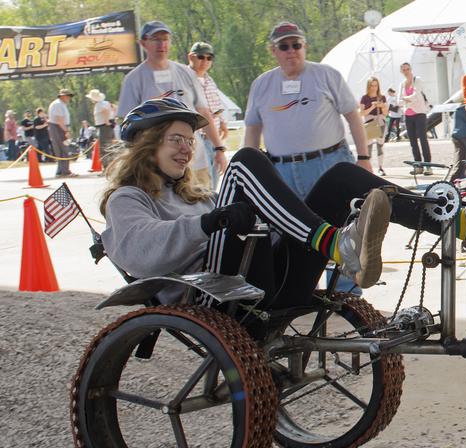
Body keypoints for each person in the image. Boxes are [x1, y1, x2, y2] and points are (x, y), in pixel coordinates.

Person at [100, 99, 438, 307]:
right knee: (245, 161)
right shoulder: (128, 198)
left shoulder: (197, 196)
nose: (187, 149)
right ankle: (336, 245)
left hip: (265, 282)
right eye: (176, 140)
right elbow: (139, 252)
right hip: (213, 299)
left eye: (190, 141)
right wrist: (207, 223)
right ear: (147, 145)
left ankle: (452, 221)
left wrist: (267, 218)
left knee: (340, 177)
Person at [242, 22, 373, 196]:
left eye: (296, 45)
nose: (291, 51)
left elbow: (353, 117)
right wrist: (251, 171)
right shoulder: (261, 84)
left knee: (340, 220)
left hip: (330, 164)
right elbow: (252, 130)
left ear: (305, 47)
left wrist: (364, 158)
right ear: (274, 51)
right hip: (281, 172)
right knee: (289, 223)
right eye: (283, 46)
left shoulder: (327, 75)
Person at [118, 20, 229, 181]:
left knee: (202, 201)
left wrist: (219, 148)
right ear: (143, 43)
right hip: (156, 164)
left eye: (165, 39)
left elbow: (204, 112)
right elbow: (127, 123)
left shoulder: (187, 73)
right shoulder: (133, 79)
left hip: (194, 160)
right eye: (155, 39)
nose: (161, 44)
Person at [187, 41, 228, 189]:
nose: (205, 61)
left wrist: (222, 122)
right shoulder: (185, 79)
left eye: (209, 58)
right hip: (196, 138)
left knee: (214, 181)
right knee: (200, 183)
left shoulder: (209, 80)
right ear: (191, 57)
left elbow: (216, 105)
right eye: (201, 57)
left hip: (213, 138)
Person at [399, 62, 432, 164]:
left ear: (411, 69)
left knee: (423, 140)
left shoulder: (417, 80)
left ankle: (427, 165)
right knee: (413, 142)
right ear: (401, 71)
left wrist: (405, 99)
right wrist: (408, 100)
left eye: (408, 69)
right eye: (404, 70)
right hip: (408, 115)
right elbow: (399, 101)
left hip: (420, 114)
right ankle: (418, 164)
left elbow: (416, 95)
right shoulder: (402, 84)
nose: (406, 72)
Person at [359, 77, 388, 175]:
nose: (374, 88)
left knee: (380, 145)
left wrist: (382, 106)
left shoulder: (382, 97)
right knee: (369, 146)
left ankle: (380, 167)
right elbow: (361, 113)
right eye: (372, 85)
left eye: (376, 85)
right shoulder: (364, 97)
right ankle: (369, 169)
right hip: (370, 122)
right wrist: (372, 106)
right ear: (368, 86)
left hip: (380, 121)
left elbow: (385, 113)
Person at [47, 88, 77, 177]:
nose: (69, 98)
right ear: (63, 96)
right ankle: (65, 171)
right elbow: (59, 119)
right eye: (68, 96)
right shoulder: (58, 104)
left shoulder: (60, 104)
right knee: (63, 149)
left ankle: (61, 170)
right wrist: (66, 130)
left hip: (59, 127)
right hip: (58, 128)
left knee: (62, 149)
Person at [88, 89, 116, 153]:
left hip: (104, 126)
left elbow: (106, 111)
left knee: (104, 146)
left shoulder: (98, 104)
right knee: (109, 145)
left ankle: (105, 162)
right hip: (108, 126)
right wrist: (113, 118)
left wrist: (107, 121)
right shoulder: (106, 103)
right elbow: (114, 108)